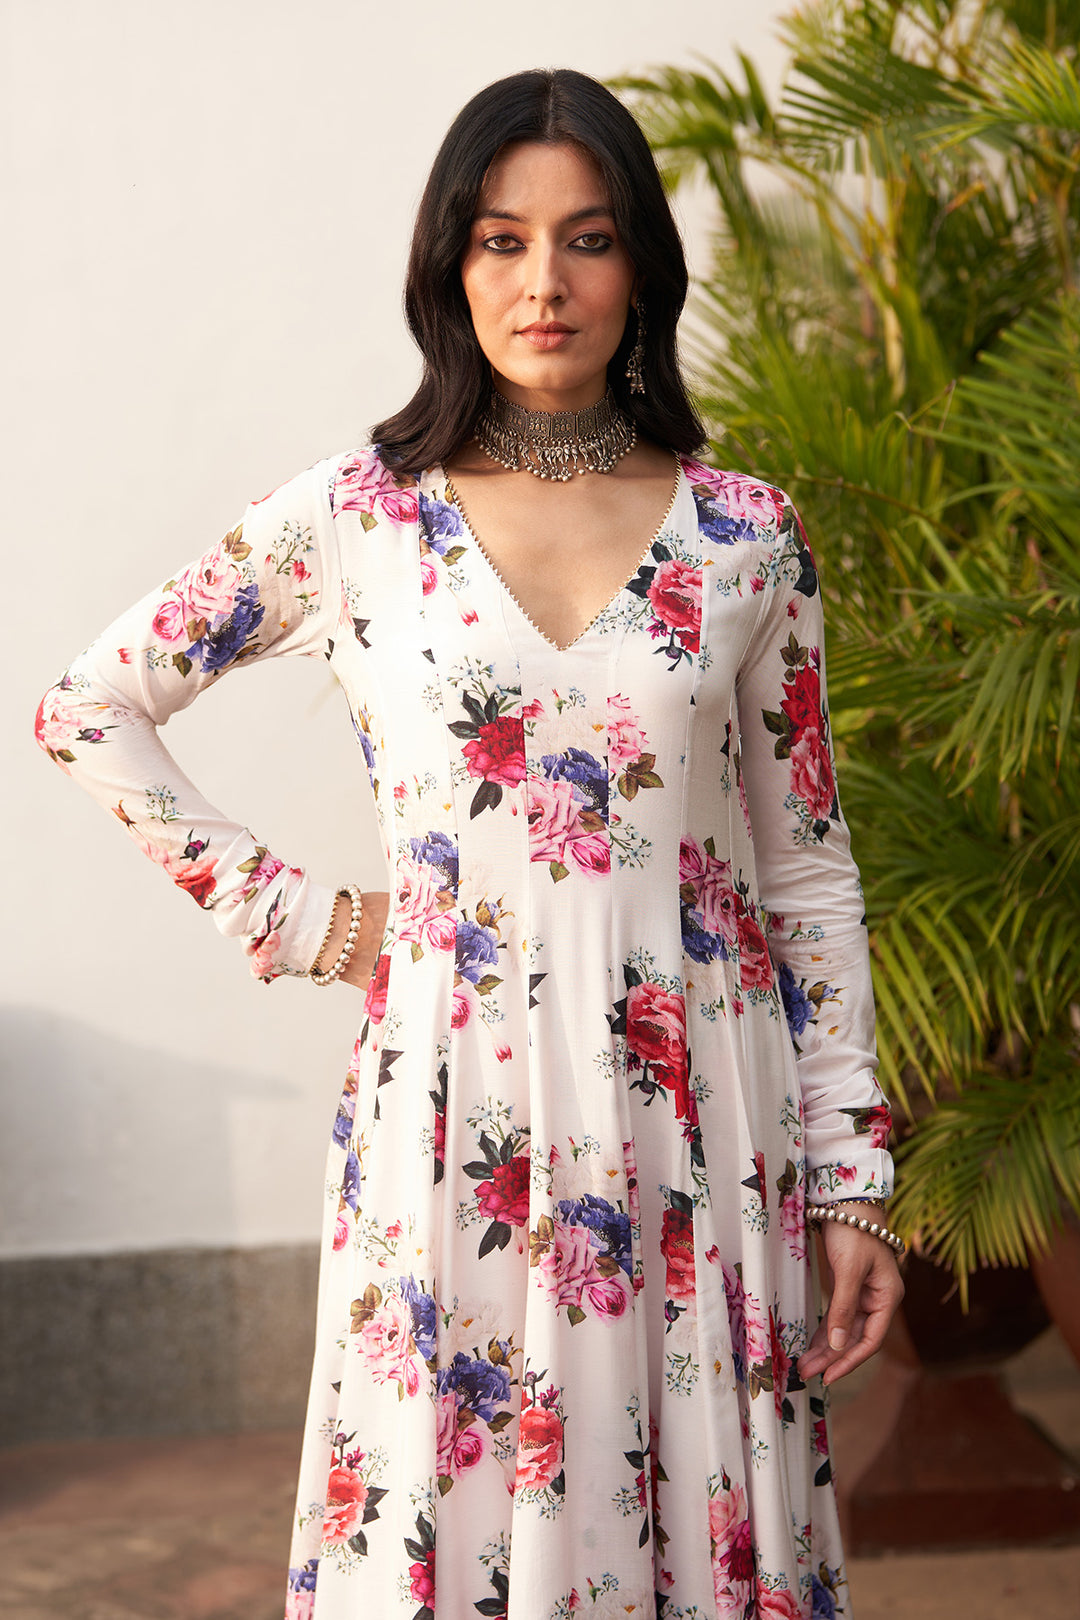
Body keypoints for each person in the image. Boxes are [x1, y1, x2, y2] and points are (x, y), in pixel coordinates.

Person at [37, 66, 903, 1620]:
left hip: (700, 1115)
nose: (542, 282)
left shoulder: (746, 536)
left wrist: (849, 1174)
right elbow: (89, 707)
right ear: (450, 264)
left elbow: (806, 870)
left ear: (641, 267)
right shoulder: (356, 520)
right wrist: (303, 919)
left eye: (586, 238)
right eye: (502, 240)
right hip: (452, 1116)